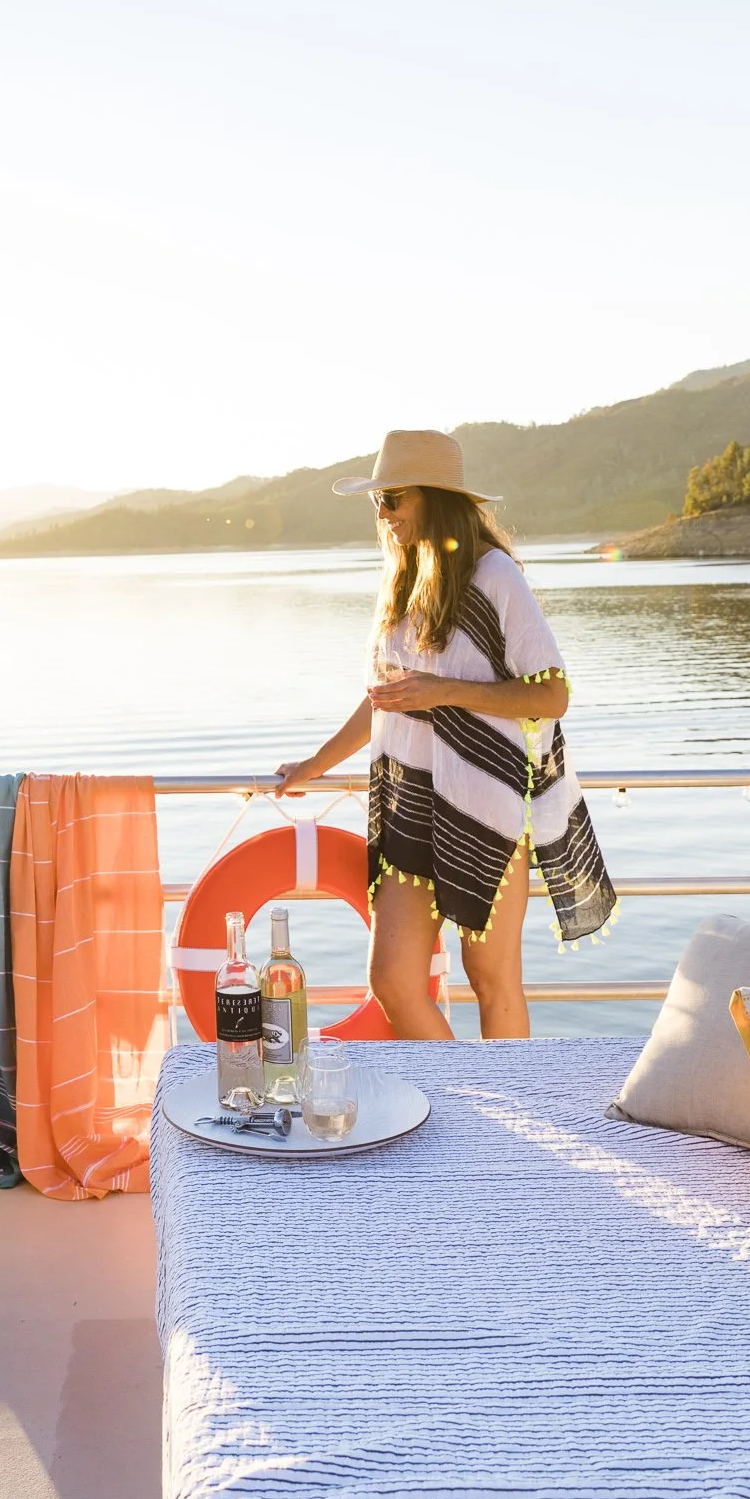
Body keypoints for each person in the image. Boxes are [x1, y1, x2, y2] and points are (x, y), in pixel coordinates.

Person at [276, 429, 615, 1040]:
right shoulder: (404, 580)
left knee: (490, 977)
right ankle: (469, 1105)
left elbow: (551, 694)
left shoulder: (495, 576)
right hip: (410, 805)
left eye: (393, 498)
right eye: (377, 500)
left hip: (487, 805)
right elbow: (387, 700)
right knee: (395, 981)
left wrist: (444, 691)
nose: (383, 513)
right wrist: (315, 764)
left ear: (434, 497)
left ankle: (513, 1126)